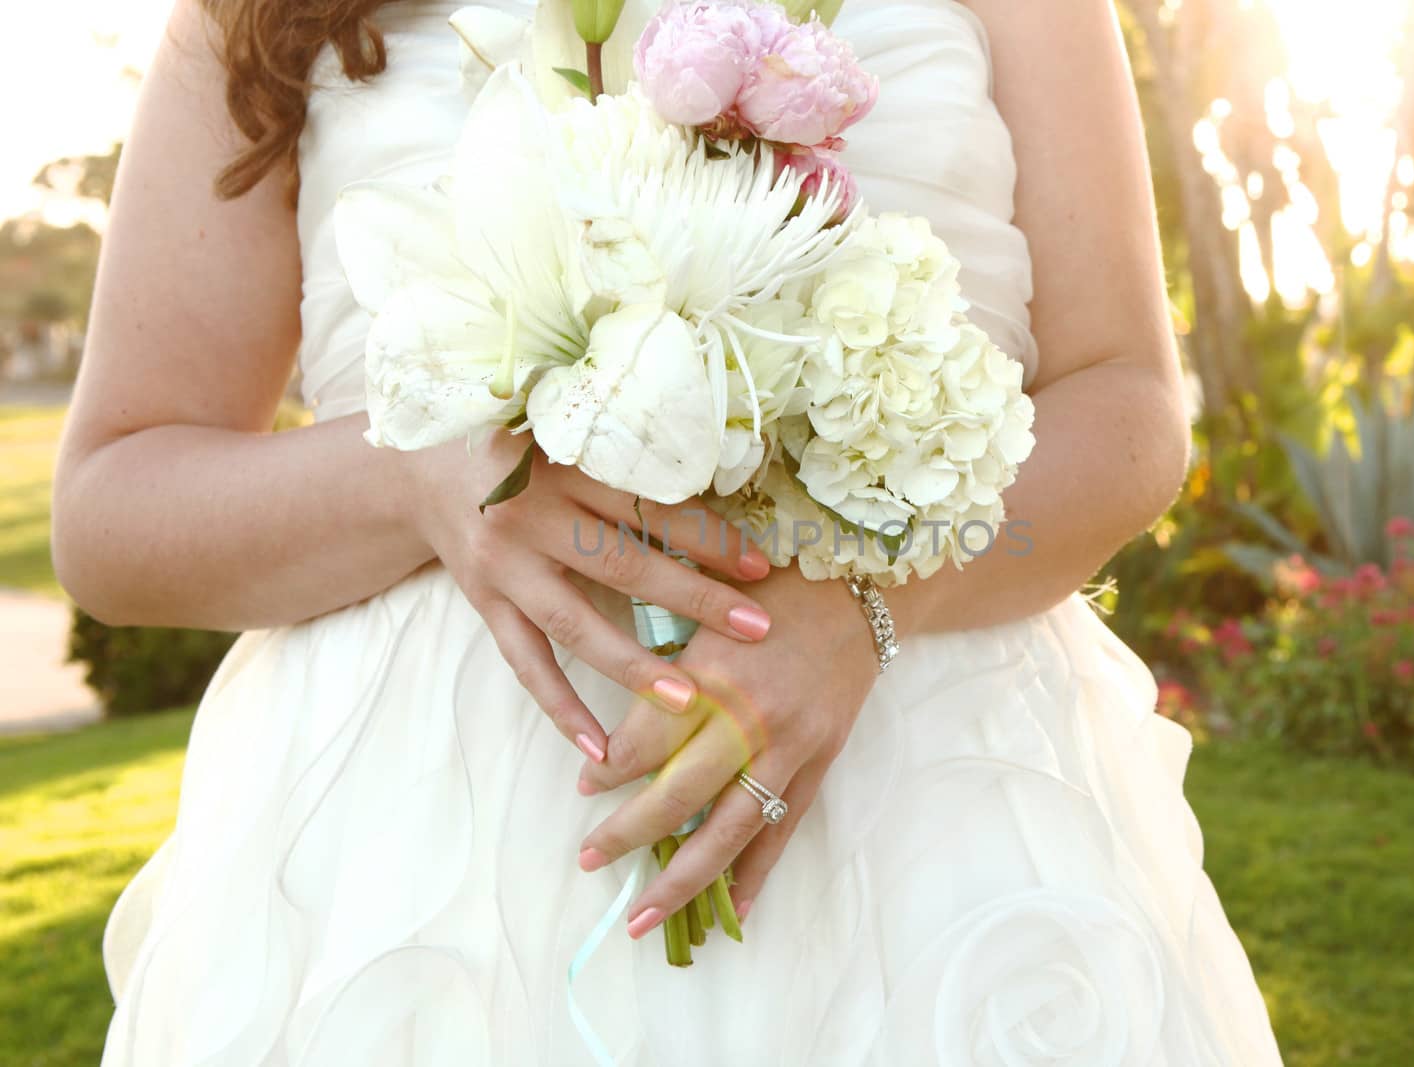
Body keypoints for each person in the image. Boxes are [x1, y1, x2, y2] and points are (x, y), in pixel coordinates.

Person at [57, 0, 1284, 1062]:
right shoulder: (255, 16)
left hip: (932, 821)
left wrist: (869, 607)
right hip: (426, 859)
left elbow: (1124, 404)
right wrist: (414, 475)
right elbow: (113, 511)